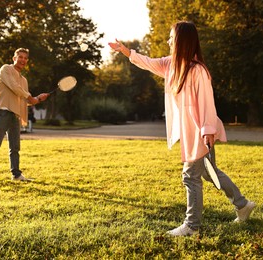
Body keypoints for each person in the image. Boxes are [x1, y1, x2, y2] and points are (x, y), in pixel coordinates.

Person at [109, 21, 255, 236]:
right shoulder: (170, 65)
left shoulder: (198, 71)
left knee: (190, 176)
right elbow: (147, 62)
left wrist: (207, 131)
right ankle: (242, 205)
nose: (168, 41)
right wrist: (124, 50)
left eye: (171, 37)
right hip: (191, 131)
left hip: (199, 131)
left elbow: (207, 103)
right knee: (209, 172)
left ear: (181, 41)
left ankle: (192, 226)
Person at [0, 48, 49, 185]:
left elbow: (23, 101)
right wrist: (31, 97)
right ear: (14, 58)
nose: (23, 60)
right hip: (3, 112)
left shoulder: (24, 80)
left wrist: (37, 99)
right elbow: (14, 87)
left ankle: (16, 174)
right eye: (20, 57)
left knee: (15, 147)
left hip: (15, 115)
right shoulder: (5, 69)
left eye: (25, 58)